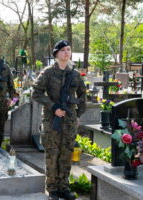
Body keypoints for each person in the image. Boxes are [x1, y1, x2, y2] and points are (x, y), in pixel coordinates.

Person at [32, 40, 86, 200]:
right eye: (63, 50)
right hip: (51, 120)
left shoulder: (74, 74)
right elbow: (36, 93)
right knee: (52, 154)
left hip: (69, 119)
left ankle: (64, 187)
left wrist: (78, 114)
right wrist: (53, 107)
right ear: (56, 54)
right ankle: (52, 189)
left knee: (66, 153)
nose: (66, 52)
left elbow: (83, 94)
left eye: (68, 50)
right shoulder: (48, 72)